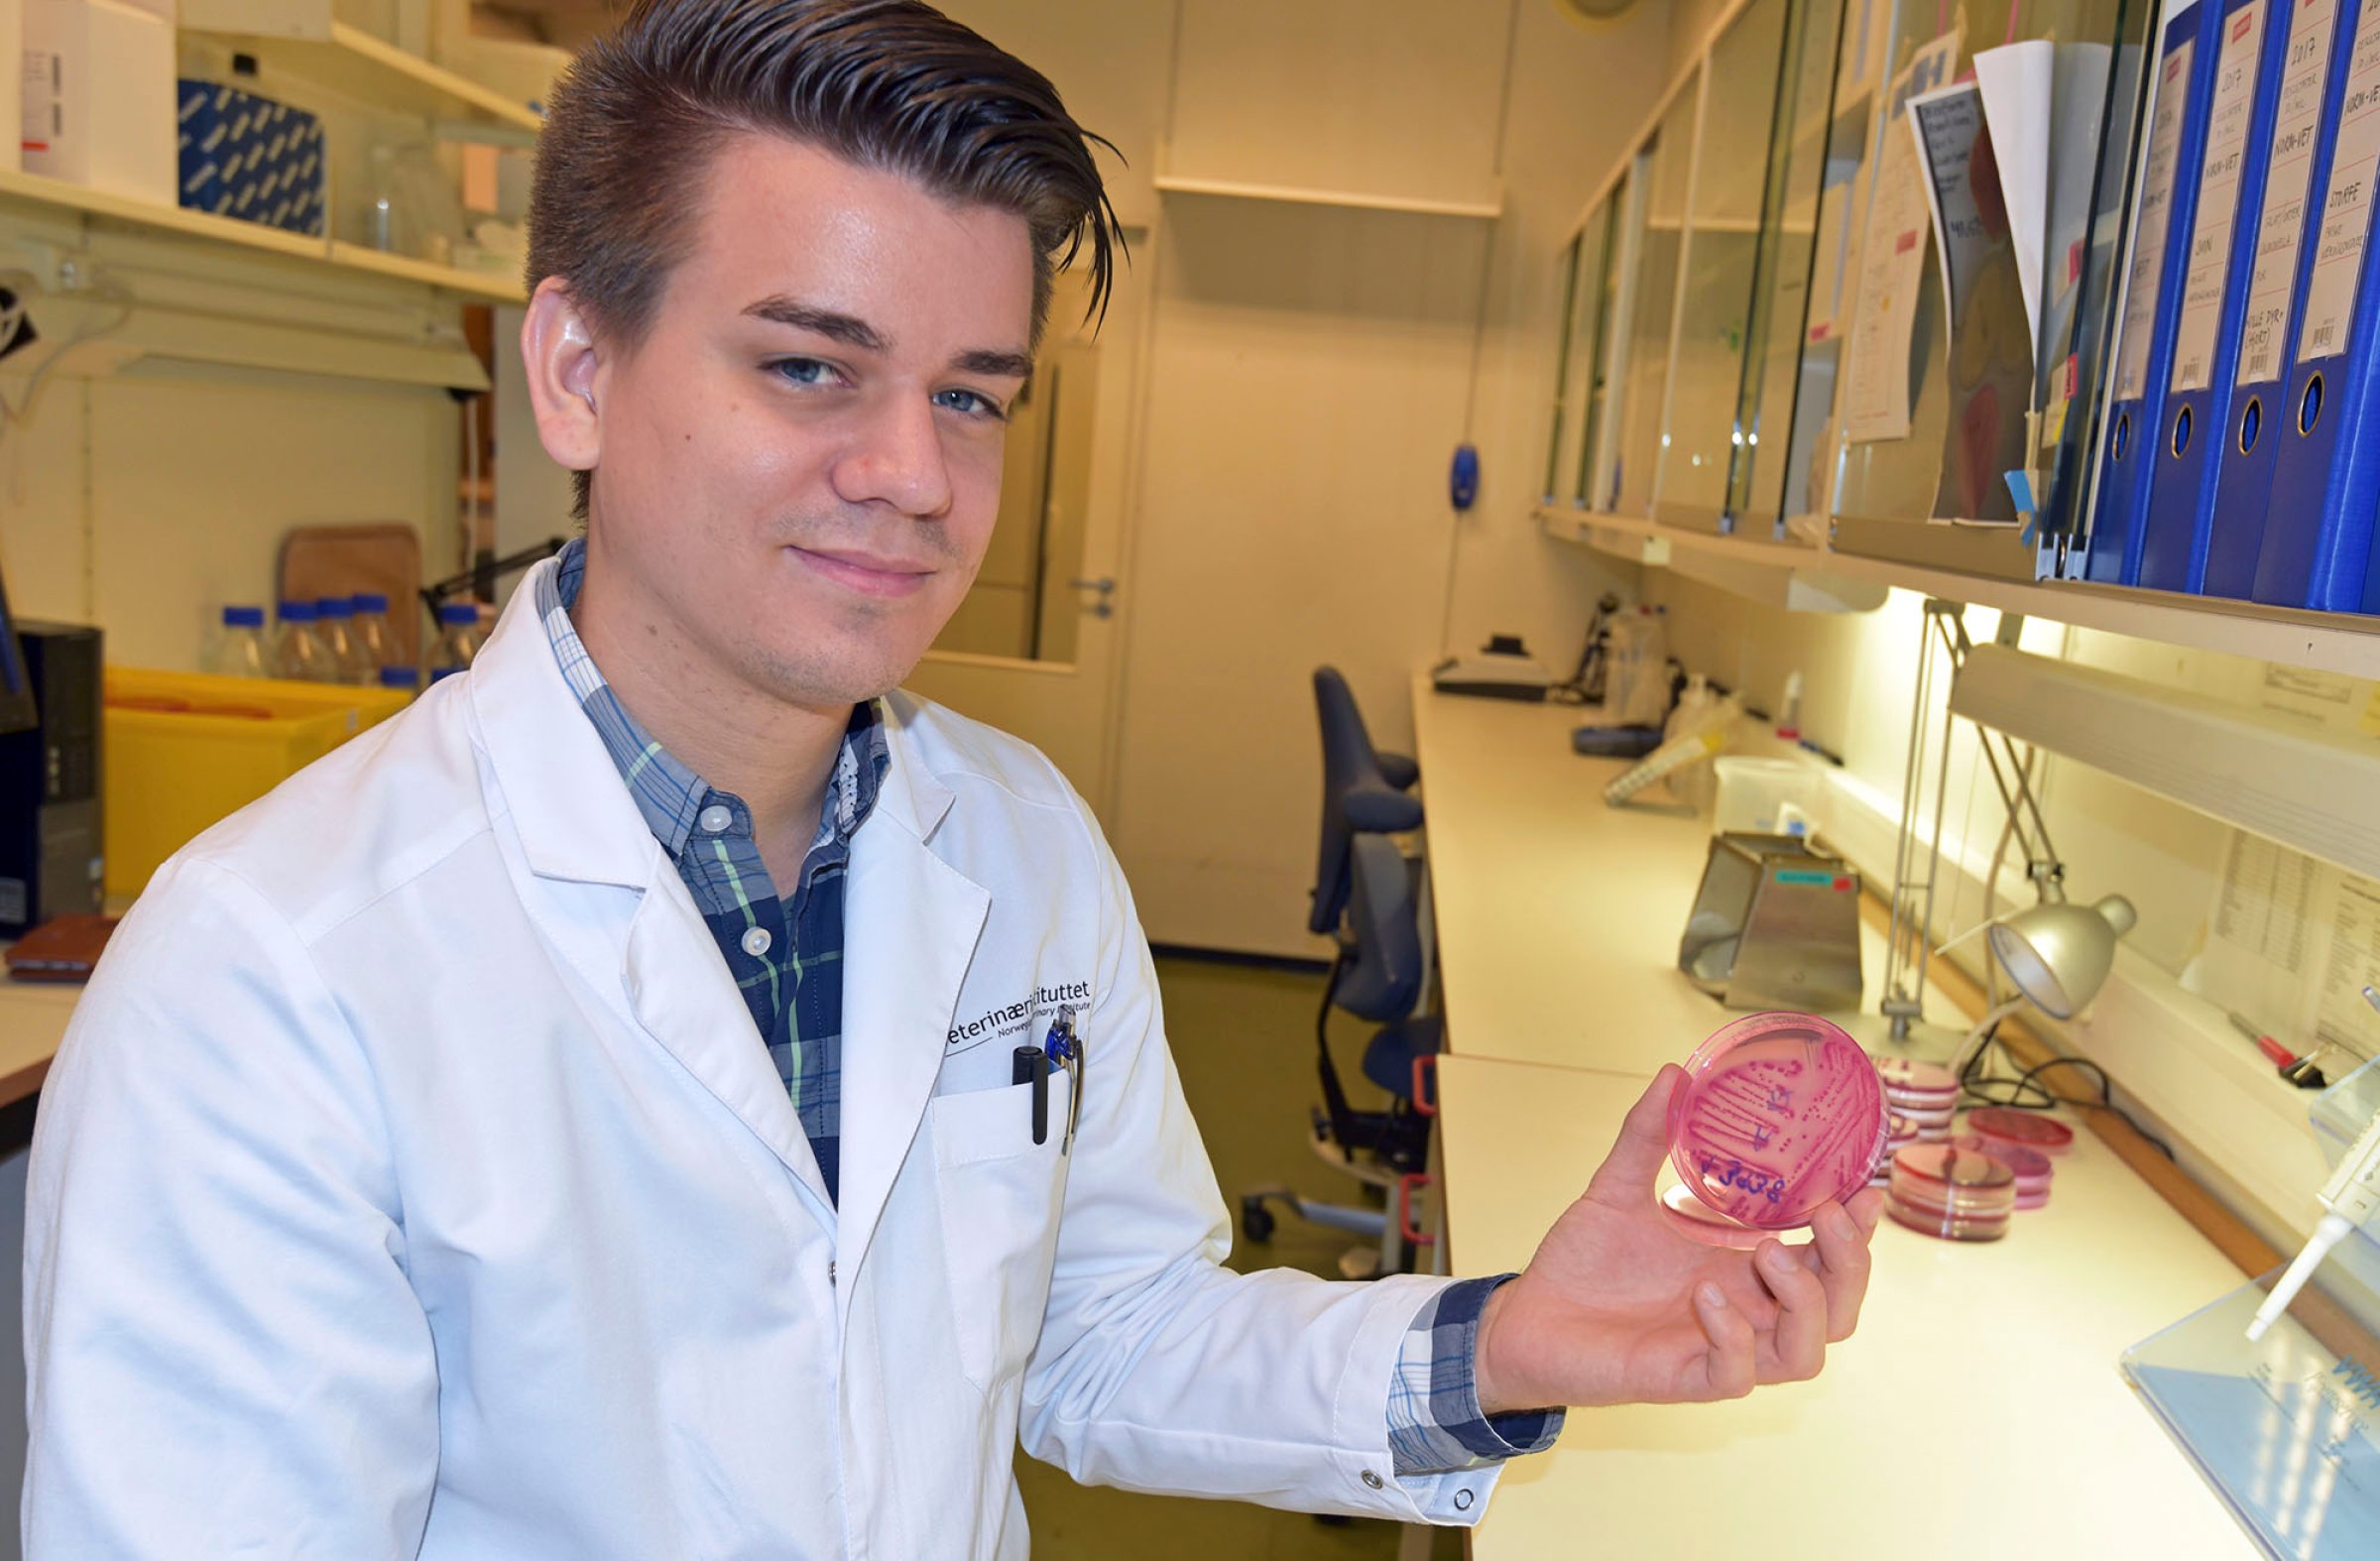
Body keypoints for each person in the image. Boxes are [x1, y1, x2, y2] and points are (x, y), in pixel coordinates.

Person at [20, 1, 1883, 1554]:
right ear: (577, 368)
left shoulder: (1019, 840)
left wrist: (1508, 1344)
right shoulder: (267, 978)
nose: (916, 475)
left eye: (973, 393)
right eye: (809, 368)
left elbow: (1110, 1327)